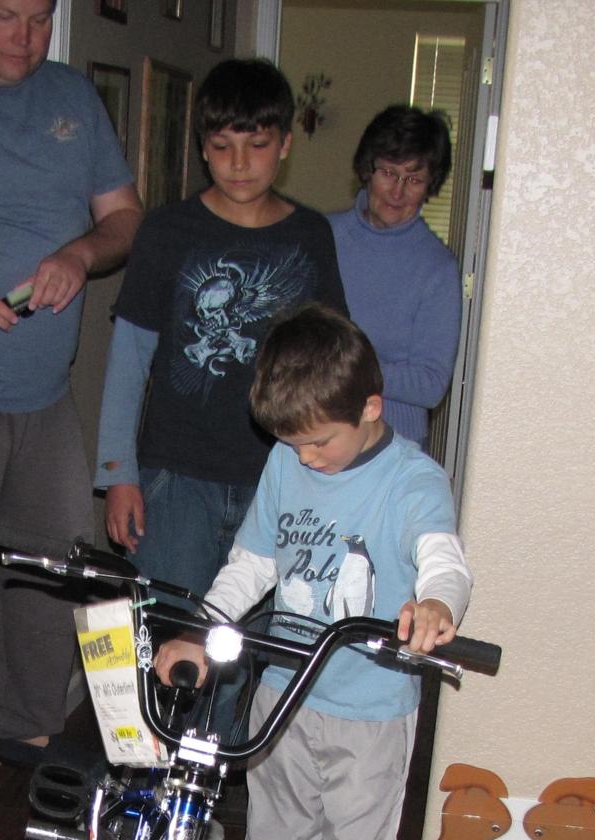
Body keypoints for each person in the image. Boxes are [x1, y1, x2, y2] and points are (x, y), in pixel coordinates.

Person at [154, 304, 472, 840]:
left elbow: (443, 559)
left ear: (371, 408)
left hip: (370, 716)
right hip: (283, 698)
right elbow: (253, 563)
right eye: (292, 445)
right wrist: (203, 633)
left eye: (319, 442)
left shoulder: (411, 481)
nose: (306, 459)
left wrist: (438, 603)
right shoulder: (289, 461)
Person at [0, 0, 143, 825]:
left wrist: (79, 254)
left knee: (54, 568)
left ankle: (26, 729)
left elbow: (123, 218)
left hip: (46, 392)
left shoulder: (72, 100)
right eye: (6, 16)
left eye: (40, 19)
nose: (25, 38)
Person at [94, 58, 348, 600]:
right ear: (203, 147)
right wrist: (118, 473)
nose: (239, 163)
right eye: (222, 145)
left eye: (257, 144)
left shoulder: (310, 236)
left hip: (281, 475)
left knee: (255, 638)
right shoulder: (165, 231)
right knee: (169, 631)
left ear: (285, 144)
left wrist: (338, 470)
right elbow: (129, 360)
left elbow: (332, 367)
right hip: (175, 476)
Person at [327, 105, 462, 444]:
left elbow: (430, 384)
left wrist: (343, 370)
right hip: (316, 433)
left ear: (430, 185)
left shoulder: (437, 268)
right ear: (367, 169)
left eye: (414, 179)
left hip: (393, 446)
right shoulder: (322, 236)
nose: (397, 192)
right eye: (388, 172)